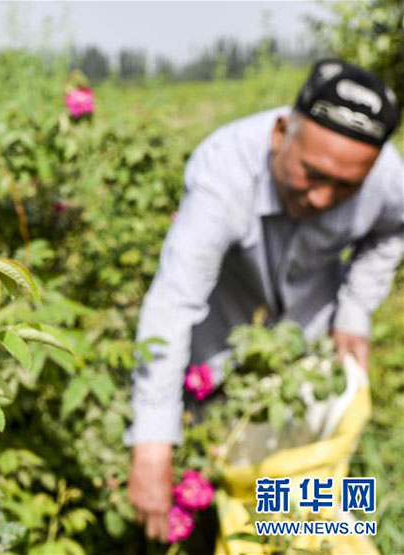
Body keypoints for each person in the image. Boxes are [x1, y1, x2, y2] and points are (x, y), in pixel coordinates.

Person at [125, 59, 403, 542]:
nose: (322, 198)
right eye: (311, 174)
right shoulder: (225, 169)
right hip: (220, 342)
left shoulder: (385, 179)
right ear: (281, 133)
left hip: (307, 345)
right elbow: (173, 300)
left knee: (303, 484)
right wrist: (151, 441)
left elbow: (392, 231)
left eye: (345, 187)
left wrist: (354, 312)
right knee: (215, 478)